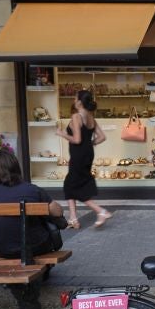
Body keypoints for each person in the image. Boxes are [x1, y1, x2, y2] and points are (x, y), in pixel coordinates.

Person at [0, 148, 66, 309]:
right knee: (45, 229)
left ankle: (29, 294)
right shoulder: (31, 190)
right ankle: (31, 297)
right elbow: (58, 215)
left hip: (4, 249)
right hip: (36, 246)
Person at [57, 89, 113, 230]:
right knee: (71, 184)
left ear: (80, 102)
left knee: (73, 186)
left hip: (78, 154)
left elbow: (76, 139)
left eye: (75, 98)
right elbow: (102, 137)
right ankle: (73, 219)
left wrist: (62, 134)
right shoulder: (91, 117)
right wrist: (90, 144)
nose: (74, 101)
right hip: (87, 154)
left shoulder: (77, 117)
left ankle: (101, 211)